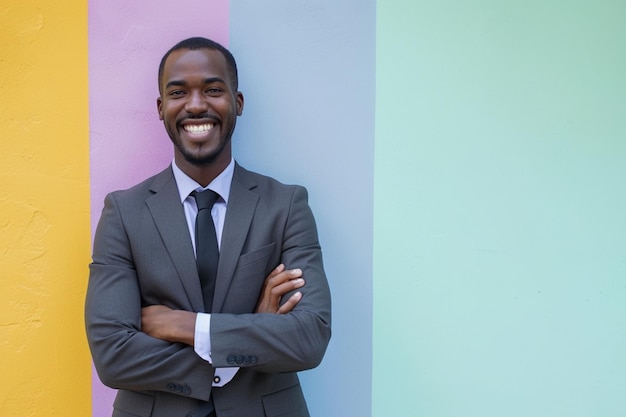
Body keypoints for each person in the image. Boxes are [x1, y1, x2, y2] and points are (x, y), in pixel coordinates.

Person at [85, 36, 331, 417]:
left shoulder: (286, 205)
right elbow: (113, 355)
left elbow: (309, 338)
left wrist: (187, 326)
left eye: (213, 90)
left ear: (238, 102)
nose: (196, 104)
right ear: (161, 107)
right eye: (179, 92)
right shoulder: (124, 212)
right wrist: (251, 334)